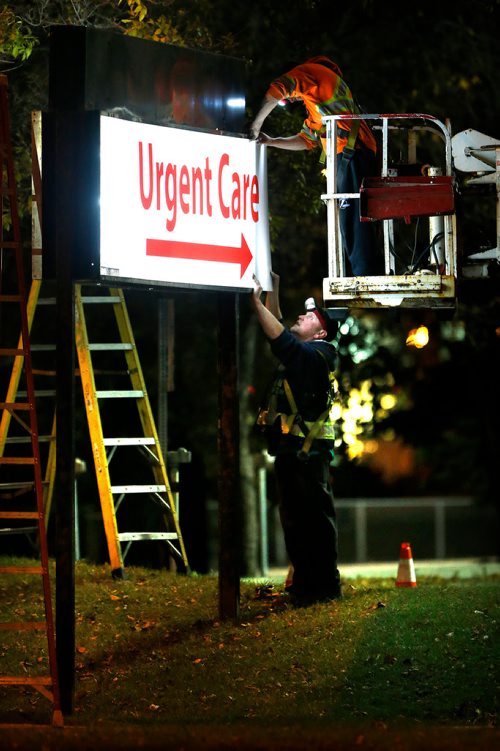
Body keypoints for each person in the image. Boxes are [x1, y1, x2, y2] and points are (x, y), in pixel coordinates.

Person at [251, 271, 342, 606]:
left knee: (313, 523)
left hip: (307, 456)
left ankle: (324, 588)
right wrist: (272, 288)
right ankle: (306, 588)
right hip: (294, 453)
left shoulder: (320, 355)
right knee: (296, 524)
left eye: (309, 317)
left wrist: (255, 303)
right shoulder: (309, 352)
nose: (301, 316)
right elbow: (279, 328)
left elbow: (280, 340)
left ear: (320, 332)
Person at [249, 56, 383, 276]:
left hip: (352, 152)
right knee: (351, 217)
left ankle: (365, 273)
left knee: (354, 217)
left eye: (289, 99)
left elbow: (279, 88)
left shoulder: (309, 73)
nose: (291, 101)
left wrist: (256, 124)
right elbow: (307, 139)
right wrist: (270, 140)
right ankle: (363, 271)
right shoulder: (318, 98)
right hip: (350, 154)